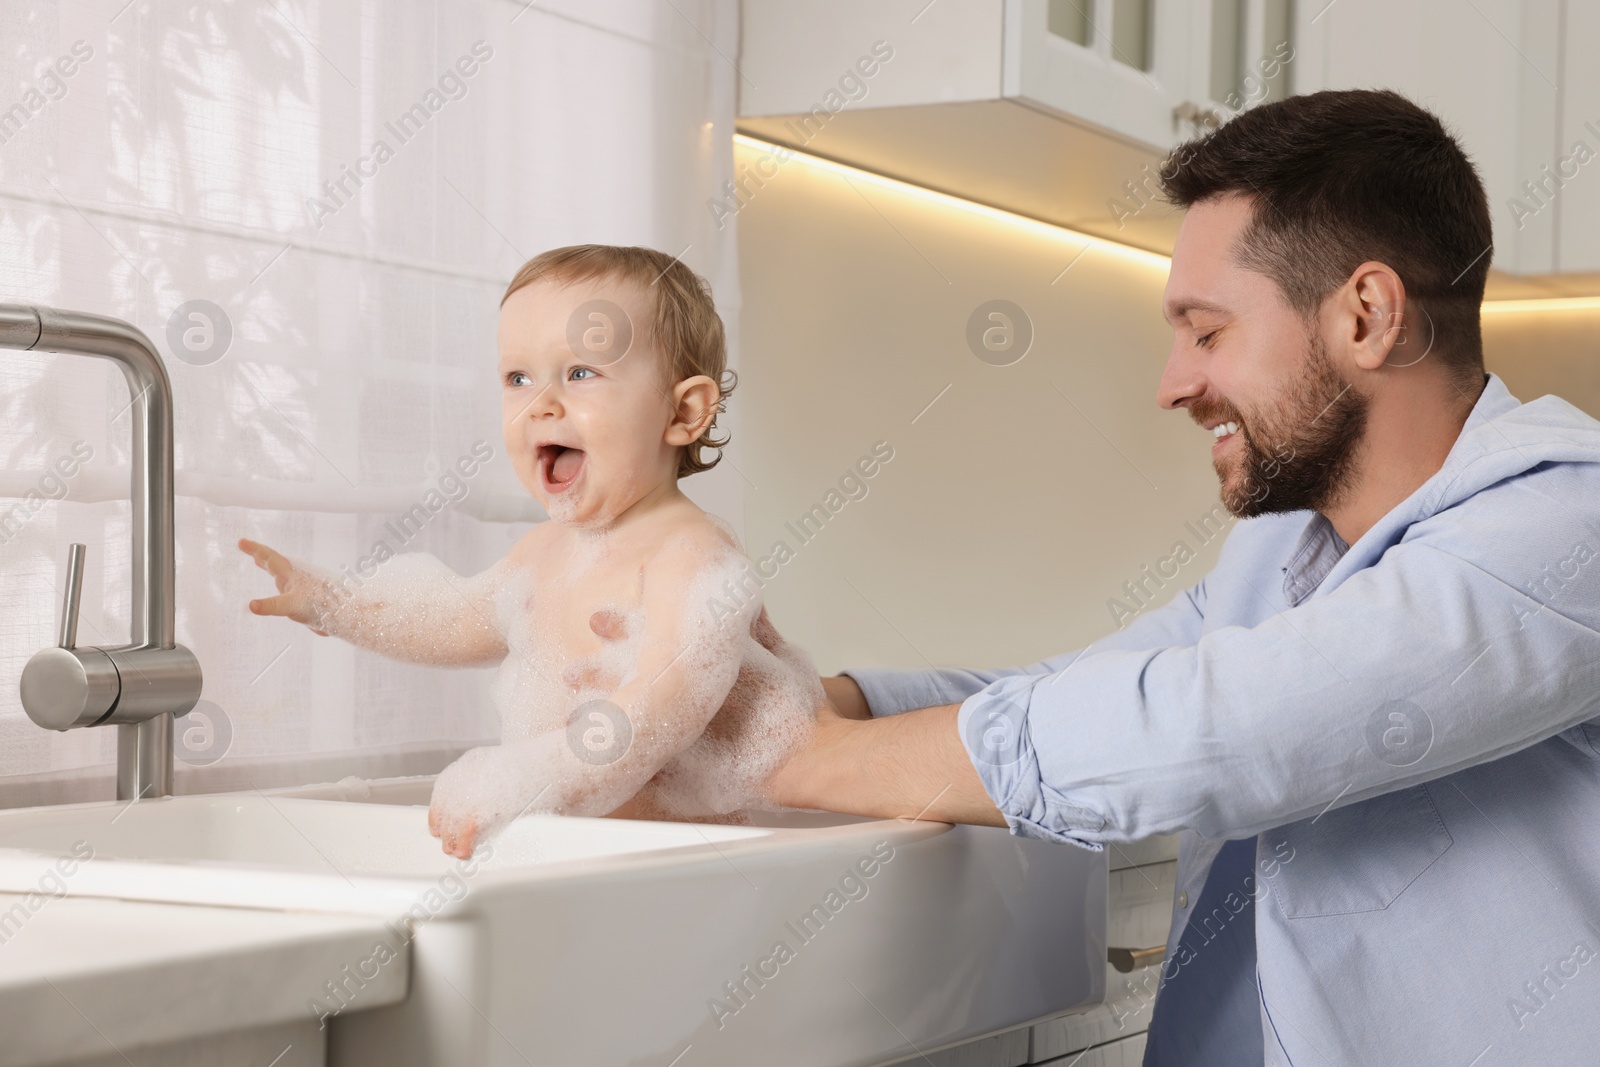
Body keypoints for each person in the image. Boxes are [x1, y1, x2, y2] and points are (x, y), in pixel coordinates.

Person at [767, 89, 1600, 1064]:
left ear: (1366, 316)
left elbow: (1218, 727)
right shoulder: (1284, 552)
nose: (1171, 382)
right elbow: (1073, 692)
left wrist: (801, 759)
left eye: (1206, 332)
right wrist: (812, 700)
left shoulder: (1563, 520)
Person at [241, 244, 823, 859]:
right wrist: (337, 605)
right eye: (518, 377)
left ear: (683, 412)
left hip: (682, 865)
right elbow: (454, 620)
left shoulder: (690, 553)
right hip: (570, 852)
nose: (540, 402)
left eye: (579, 373)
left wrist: (535, 778)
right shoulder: (543, 552)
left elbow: (663, 706)